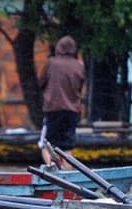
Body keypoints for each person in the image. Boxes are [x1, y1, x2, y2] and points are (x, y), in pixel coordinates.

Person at [38, 35, 85, 170]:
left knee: (45, 145)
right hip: (72, 112)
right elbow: (80, 88)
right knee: (67, 148)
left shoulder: (51, 63)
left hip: (53, 110)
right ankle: (67, 177)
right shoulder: (79, 66)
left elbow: (41, 83)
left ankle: (51, 170)